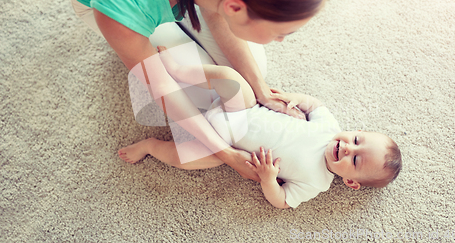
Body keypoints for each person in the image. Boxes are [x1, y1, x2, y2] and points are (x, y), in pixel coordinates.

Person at [61, 0, 328, 181]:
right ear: (234, 7)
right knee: (204, 100)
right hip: (119, 4)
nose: (281, 40)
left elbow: (214, 11)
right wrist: (228, 155)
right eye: (281, 33)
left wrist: (260, 88)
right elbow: (162, 86)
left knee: (248, 74)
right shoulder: (118, 4)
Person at [119, 45, 403, 209]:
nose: (348, 146)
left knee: (188, 158)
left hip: (229, 148)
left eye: (355, 159)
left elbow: (281, 201)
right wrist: (295, 99)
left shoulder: (317, 183)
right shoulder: (329, 127)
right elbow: (315, 105)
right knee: (230, 78)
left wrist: (268, 179)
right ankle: (180, 71)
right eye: (357, 138)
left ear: (351, 182)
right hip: (243, 109)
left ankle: (151, 146)